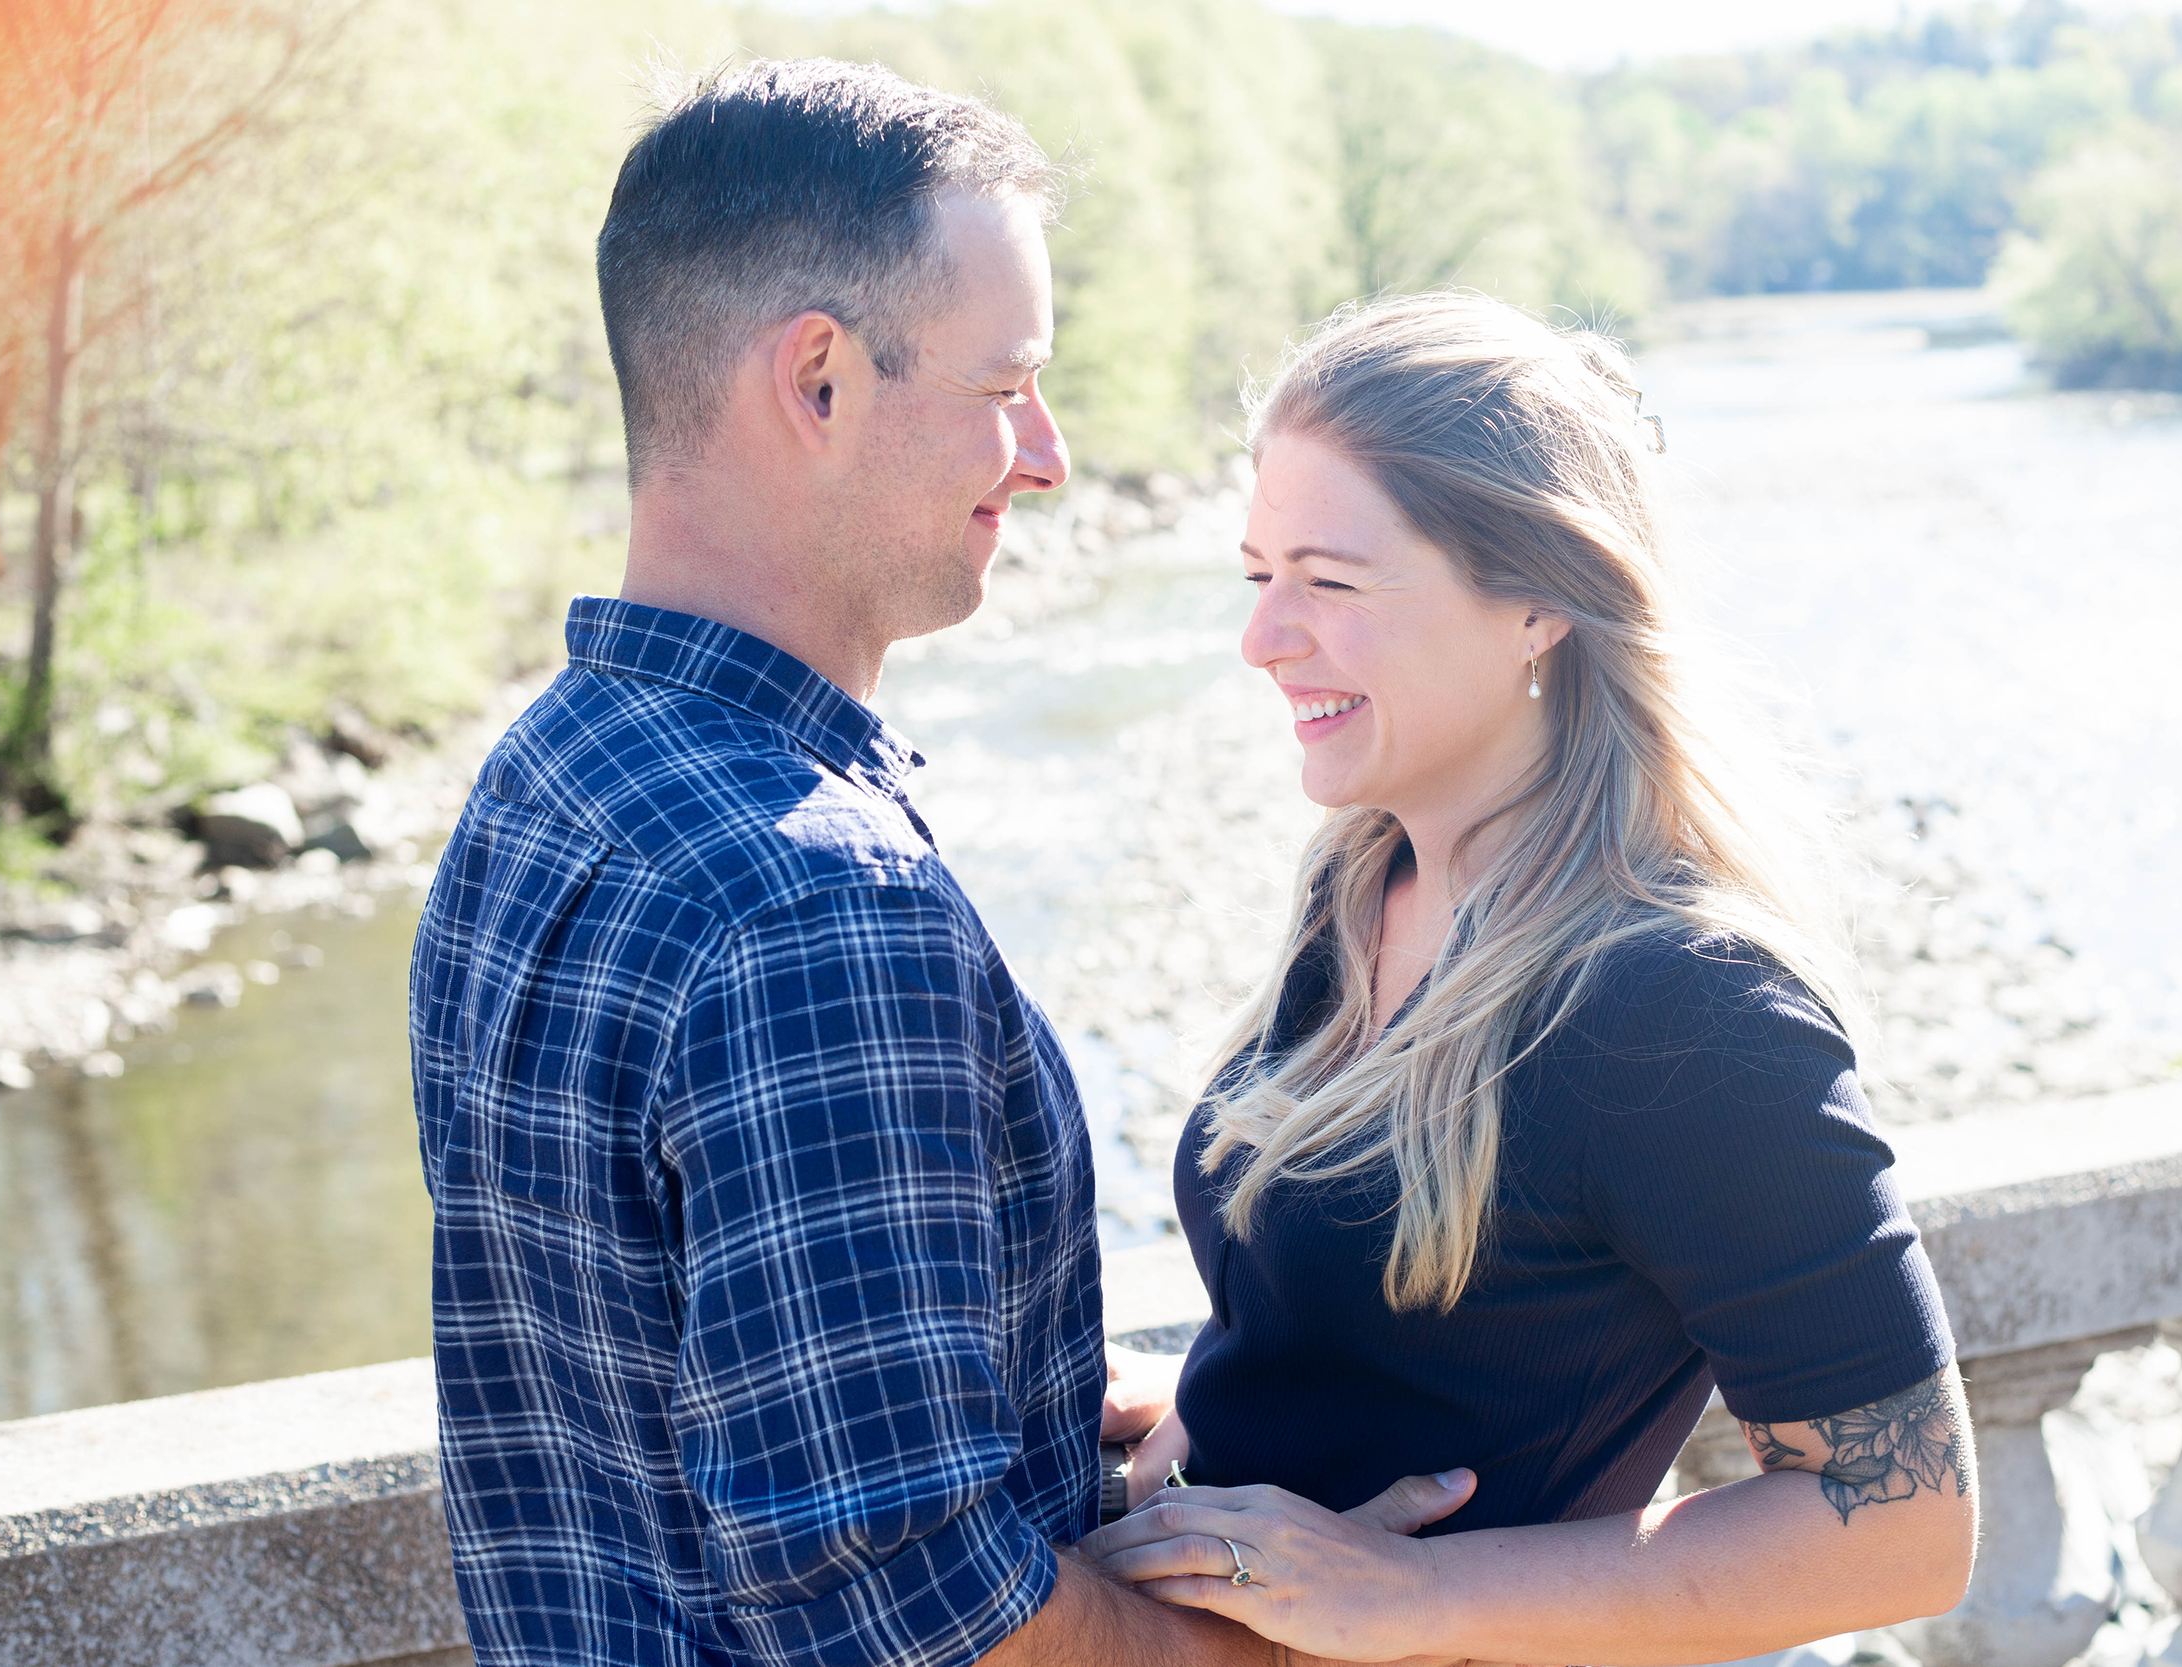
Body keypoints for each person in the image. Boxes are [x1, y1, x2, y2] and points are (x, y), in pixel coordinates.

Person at [410, 61, 1459, 1667]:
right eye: (1006, 384)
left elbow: (652, 1362)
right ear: (818, 380)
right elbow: (905, 1597)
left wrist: (1020, 1382)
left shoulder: (545, 780)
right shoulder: (814, 903)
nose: (1043, 454)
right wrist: (1271, 1650)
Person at [1083, 294, 1980, 1665]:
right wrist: (1214, 1397)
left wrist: (1418, 1595)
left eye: (1330, 580)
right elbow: (1408, 1318)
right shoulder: (1361, 880)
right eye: (1255, 573)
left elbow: (1906, 1521)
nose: (1264, 637)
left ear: (1538, 602)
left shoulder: (1685, 1007)